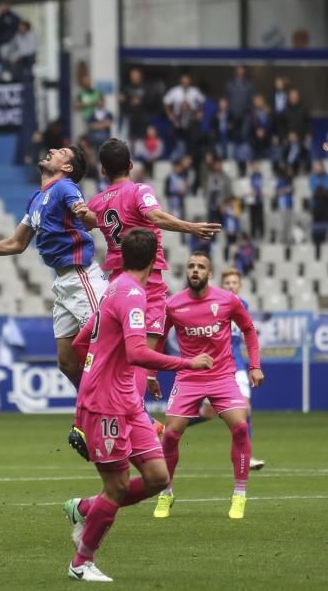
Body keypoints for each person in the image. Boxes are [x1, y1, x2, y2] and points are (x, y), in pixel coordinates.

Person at [63, 229, 213, 582]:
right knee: (116, 486)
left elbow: (83, 341)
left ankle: (84, 508)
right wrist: (188, 364)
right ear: (155, 258)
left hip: (126, 402)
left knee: (158, 478)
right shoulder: (131, 295)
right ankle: (81, 563)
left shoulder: (114, 287)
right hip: (106, 406)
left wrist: (101, 370)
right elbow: (137, 352)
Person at [72, 138, 220, 407]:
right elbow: (155, 217)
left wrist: (84, 216)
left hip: (114, 286)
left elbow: (93, 221)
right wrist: (191, 227)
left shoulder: (95, 202)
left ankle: (97, 399)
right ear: (130, 164)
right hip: (146, 286)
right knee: (140, 355)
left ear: (103, 171)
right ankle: (136, 416)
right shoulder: (140, 191)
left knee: (84, 344)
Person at [0, 145, 107, 388]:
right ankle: (95, 409)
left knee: (103, 349)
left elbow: (89, 216)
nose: (52, 149)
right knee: (67, 362)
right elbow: (17, 243)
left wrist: (85, 215)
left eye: (60, 151)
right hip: (62, 283)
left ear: (67, 167)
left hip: (81, 276)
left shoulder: (65, 187)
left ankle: (135, 417)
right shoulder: (37, 198)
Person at [152, 250, 264, 520]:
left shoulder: (227, 300)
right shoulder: (173, 305)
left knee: (239, 426)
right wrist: (151, 374)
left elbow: (248, 329)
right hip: (188, 377)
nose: (195, 270)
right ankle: (166, 493)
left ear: (209, 274)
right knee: (170, 434)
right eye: (191, 266)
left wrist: (255, 365)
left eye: (201, 267)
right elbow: (157, 337)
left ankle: (239, 494)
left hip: (222, 376)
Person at [187, 268, 265, 471]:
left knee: (245, 408)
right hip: (214, 366)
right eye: (227, 283)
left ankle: (245, 458)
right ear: (223, 285)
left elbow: (248, 334)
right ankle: (171, 428)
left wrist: (254, 364)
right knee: (207, 413)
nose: (231, 286)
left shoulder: (243, 306)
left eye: (234, 283)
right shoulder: (213, 304)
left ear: (240, 285)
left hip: (236, 365)